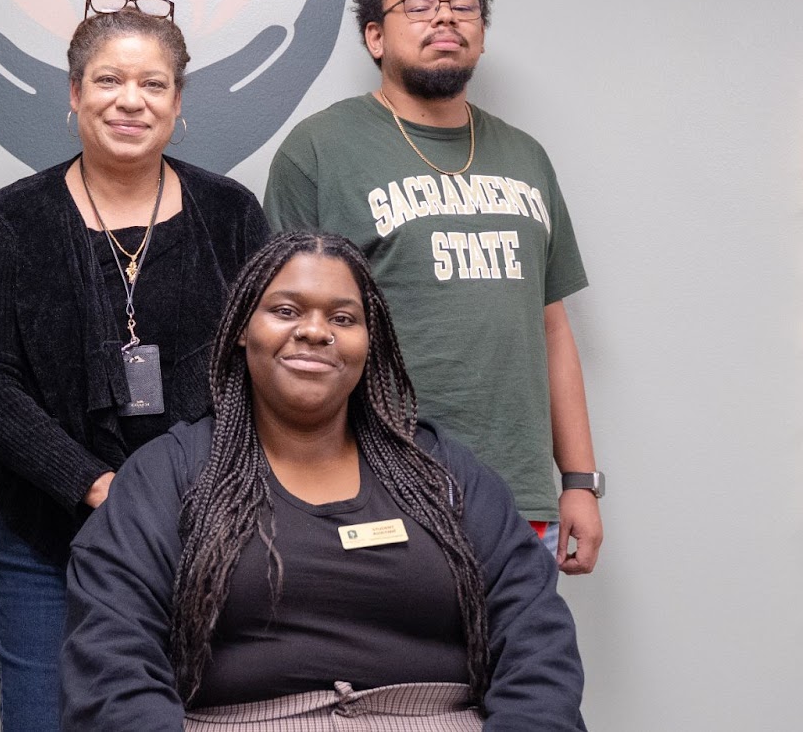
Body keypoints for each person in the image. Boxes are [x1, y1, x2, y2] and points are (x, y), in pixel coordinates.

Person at [62, 233, 585, 730]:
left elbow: (534, 638)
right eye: (286, 311)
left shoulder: (442, 473)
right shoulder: (169, 474)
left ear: (368, 340)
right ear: (243, 329)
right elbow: (113, 656)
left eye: (343, 317)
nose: (315, 330)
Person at [0, 0, 270, 732]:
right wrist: (94, 486)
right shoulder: (12, 218)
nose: (130, 100)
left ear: (178, 100)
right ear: (73, 93)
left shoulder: (231, 213)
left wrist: (187, 492)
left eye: (152, 84)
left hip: (207, 532)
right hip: (47, 540)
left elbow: (264, 369)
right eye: (107, 80)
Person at [263, 0, 604, 574]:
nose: (445, 18)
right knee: (399, 674)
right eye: (418, 7)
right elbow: (281, 339)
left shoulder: (526, 157)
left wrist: (579, 480)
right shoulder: (318, 150)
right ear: (375, 37)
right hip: (377, 483)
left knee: (520, 670)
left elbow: (551, 327)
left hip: (518, 494)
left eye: (463, 7)